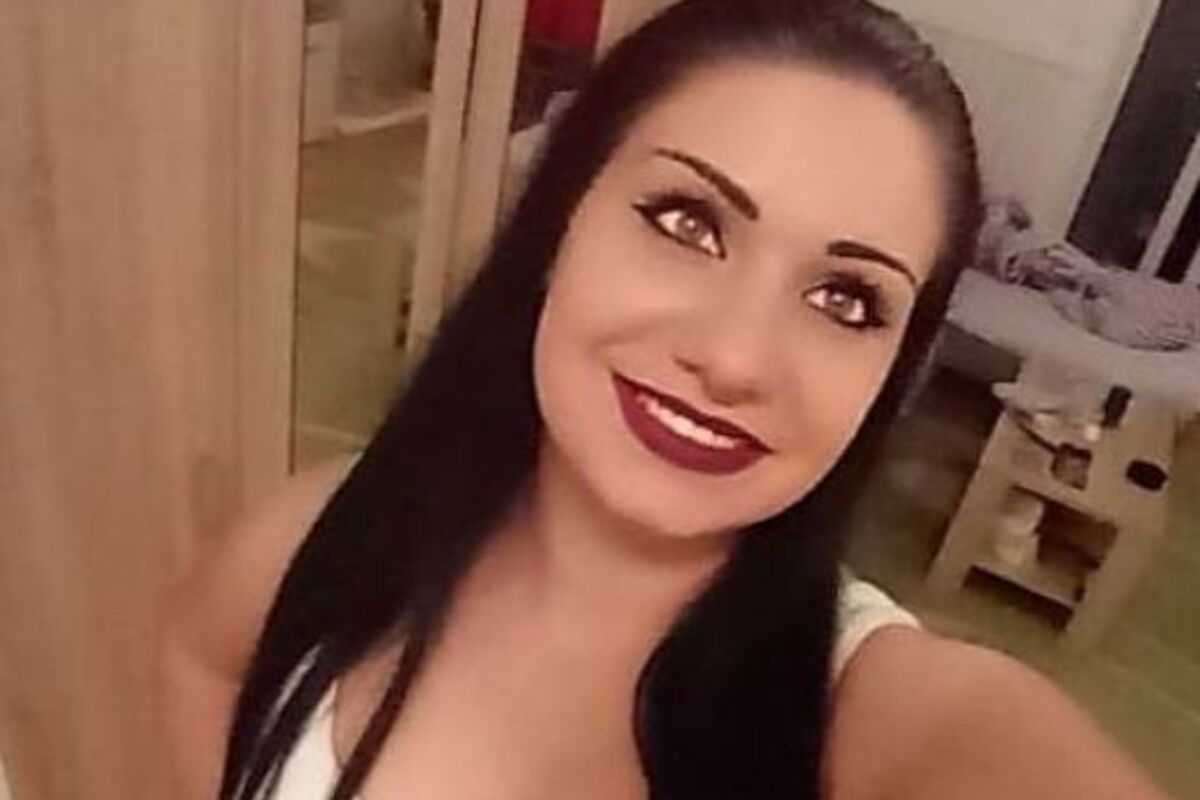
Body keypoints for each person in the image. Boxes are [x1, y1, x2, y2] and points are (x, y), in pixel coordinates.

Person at [161, 1, 1171, 798]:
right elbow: (200, 656)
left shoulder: (873, 712)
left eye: (845, 298)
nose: (735, 357)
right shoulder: (336, 529)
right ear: (558, 220)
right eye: (688, 221)